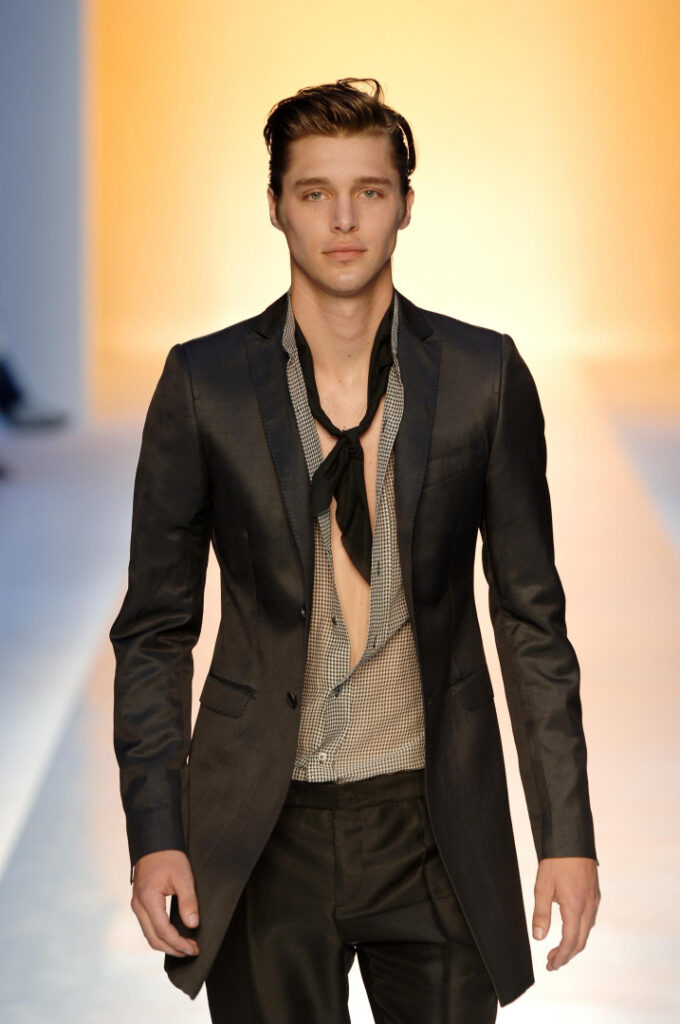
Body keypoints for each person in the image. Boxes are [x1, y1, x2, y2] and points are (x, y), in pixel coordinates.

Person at [110, 77, 600, 1023]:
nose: (343, 220)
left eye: (369, 191)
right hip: (262, 831)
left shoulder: (483, 377)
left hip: (435, 827)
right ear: (275, 207)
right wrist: (156, 829)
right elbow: (156, 628)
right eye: (315, 192)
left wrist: (566, 834)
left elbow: (531, 619)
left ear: (405, 204)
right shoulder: (205, 385)